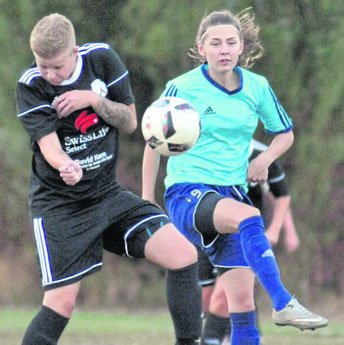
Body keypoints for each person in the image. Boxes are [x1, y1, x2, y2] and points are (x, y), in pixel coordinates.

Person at [142, 8, 328, 345]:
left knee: (240, 305)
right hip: (188, 192)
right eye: (215, 43)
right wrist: (146, 199)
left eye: (231, 42)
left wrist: (266, 159)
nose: (224, 49)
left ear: (241, 47)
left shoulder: (257, 87)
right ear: (202, 48)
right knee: (250, 216)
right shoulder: (182, 87)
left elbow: (284, 133)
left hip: (231, 193)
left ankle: (274, 310)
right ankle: (284, 302)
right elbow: (152, 140)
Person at [16, 13, 202, 345]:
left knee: (183, 254)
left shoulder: (101, 59)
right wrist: (65, 166)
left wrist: (94, 100)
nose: (49, 74)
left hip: (107, 196)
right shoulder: (32, 84)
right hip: (60, 207)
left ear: (74, 52)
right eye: (42, 64)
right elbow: (49, 146)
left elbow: (130, 121)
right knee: (61, 303)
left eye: (56, 67)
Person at [200, 139, 300, 345]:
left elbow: (279, 195)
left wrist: (280, 229)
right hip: (210, 232)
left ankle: (237, 337)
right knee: (210, 300)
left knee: (225, 295)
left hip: (244, 235)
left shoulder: (260, 155)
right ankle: (235, 336)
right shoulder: (205, 150)